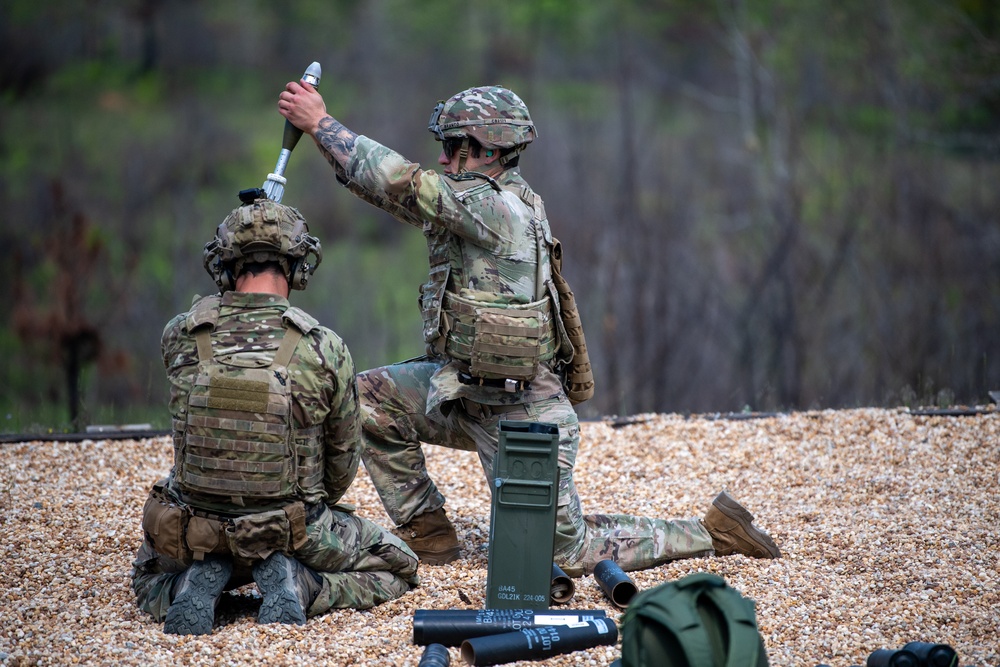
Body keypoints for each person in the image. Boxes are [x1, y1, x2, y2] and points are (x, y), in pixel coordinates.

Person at [278, 82, 781, 577]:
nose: (445, 160)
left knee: (564, 553)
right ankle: (427, 530)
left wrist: (320, 123)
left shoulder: (496, 208)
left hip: (522, 414)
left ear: (490, 150)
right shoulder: (477, 204)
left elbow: (401, 182)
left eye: (455, 148)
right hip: (465, 393)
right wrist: (327, 144)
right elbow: (396, 195)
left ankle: (711, 532)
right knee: (369, 399)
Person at [131, 193, 419, 635]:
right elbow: (341, 466)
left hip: (196, 529)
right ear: (300, 266)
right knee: (400, 565)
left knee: (147, 577)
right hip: (292, 529)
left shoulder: (180, 334)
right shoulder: (324, 347)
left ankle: (195, 580)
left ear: (223, 266)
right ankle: (302, 584)